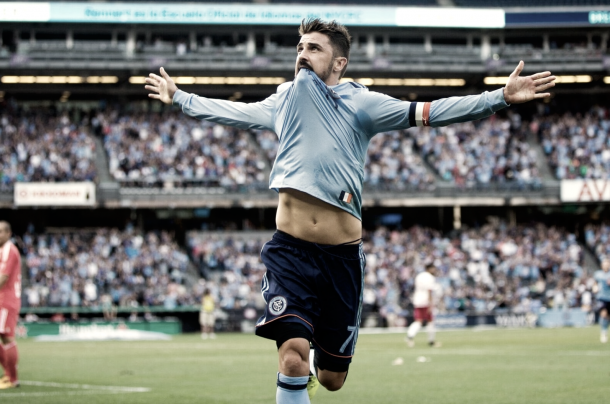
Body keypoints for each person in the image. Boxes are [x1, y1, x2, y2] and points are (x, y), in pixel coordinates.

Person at [145, 18, 555, 403]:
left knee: (331, 380)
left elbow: (431, 111)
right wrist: (180, 97)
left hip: (341, 260)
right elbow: (233, 112)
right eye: (301, 47)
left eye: (315, 48)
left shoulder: (363, 103)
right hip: (289, 253)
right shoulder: (284, 99)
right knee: (291, 356)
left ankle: (317, 370)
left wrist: (499, 97)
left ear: (339, 62)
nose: (303, 54)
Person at [0, 221, 21, 389]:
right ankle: (8, 374)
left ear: (8, 233)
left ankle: (12, 378)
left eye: (1, 232)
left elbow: (3, 278)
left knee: (7, 337)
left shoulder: (9, 250)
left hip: (6, 300)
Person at [405, 264, 440, 348]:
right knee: (430, 321)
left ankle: (410, 336)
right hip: (425, 301)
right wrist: (430, 303)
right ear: (429, 269)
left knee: (419, 320)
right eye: (433, 269)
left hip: (418, 300)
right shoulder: (430, 277)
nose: (434, 271)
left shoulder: (419, 276)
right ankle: (431, 341)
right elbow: (429, 291)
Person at [594, 259, 610, 343]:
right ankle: (603, 332)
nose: (606, 265)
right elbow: (595, 283)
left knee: (608, 317)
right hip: (602, 297)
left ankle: (605, 329)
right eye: (604, 263)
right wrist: (595, 288)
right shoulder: (598, 274)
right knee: (603, 314)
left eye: (607, 263)